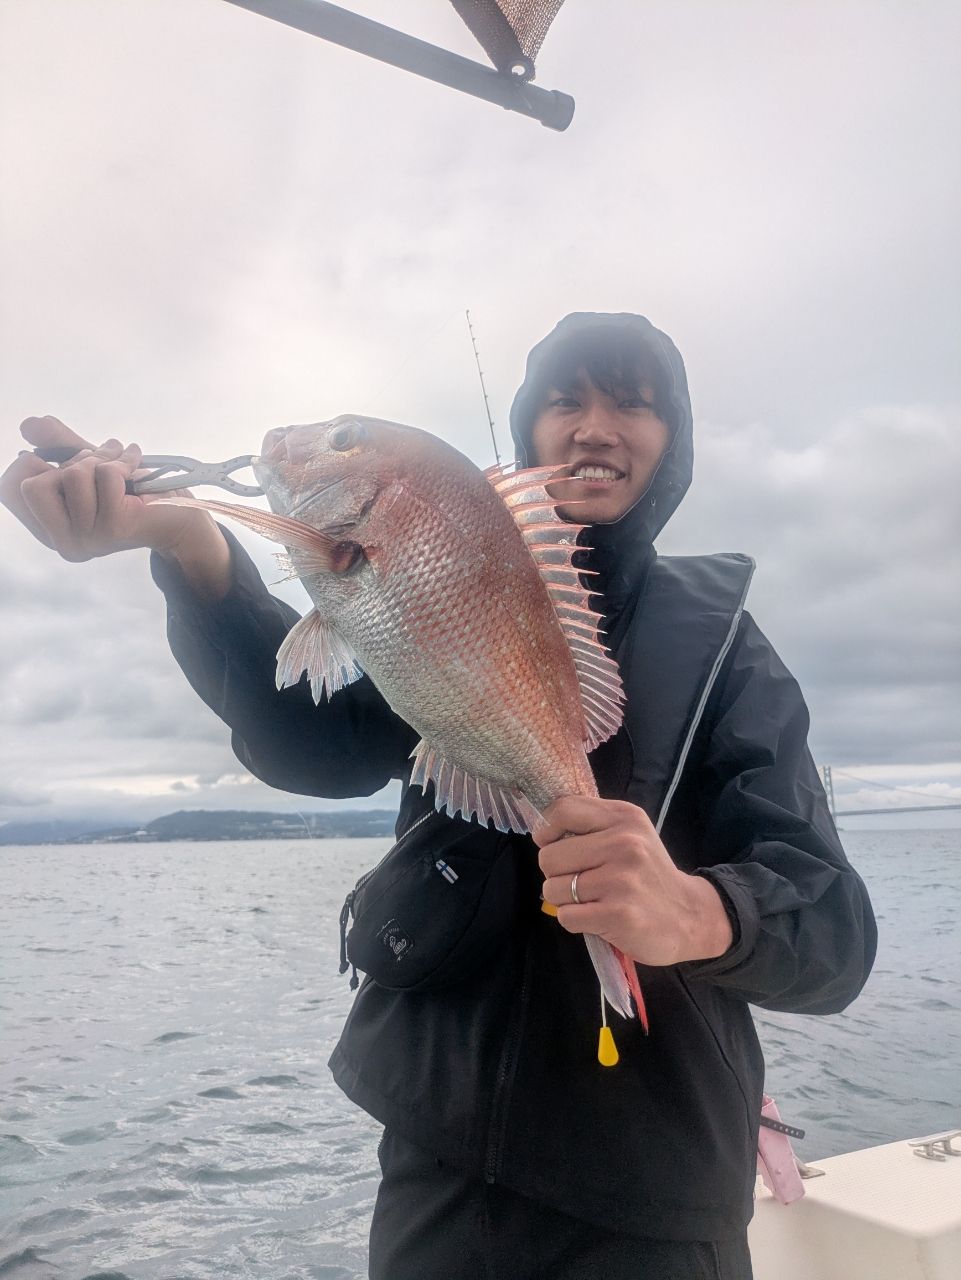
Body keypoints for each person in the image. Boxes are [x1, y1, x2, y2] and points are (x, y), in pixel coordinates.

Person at [2, 312, 877, 1280]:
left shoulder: (726, 655)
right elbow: (314, 746)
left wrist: (702, 910)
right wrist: (188, 545)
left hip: (656, 1191)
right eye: (564, 398)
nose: (594, 425)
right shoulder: (444, 573)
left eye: (633, 404)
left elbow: (833, 935)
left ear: (675, 444)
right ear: (525, 429)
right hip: (439, 1159)